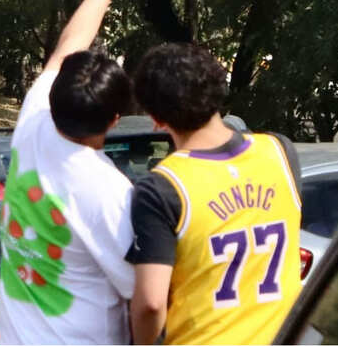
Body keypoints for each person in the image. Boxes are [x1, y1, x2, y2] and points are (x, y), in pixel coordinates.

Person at [0, 0, 158, 346]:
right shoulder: (109, 193)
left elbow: (67, 49)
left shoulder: (33, 122)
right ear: (115, 120)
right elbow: (146, 295)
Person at [126, 43, 303, 345]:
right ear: (218, 93)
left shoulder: (163, 187)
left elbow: (151, 304)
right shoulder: (279, 152)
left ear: (156, 117)